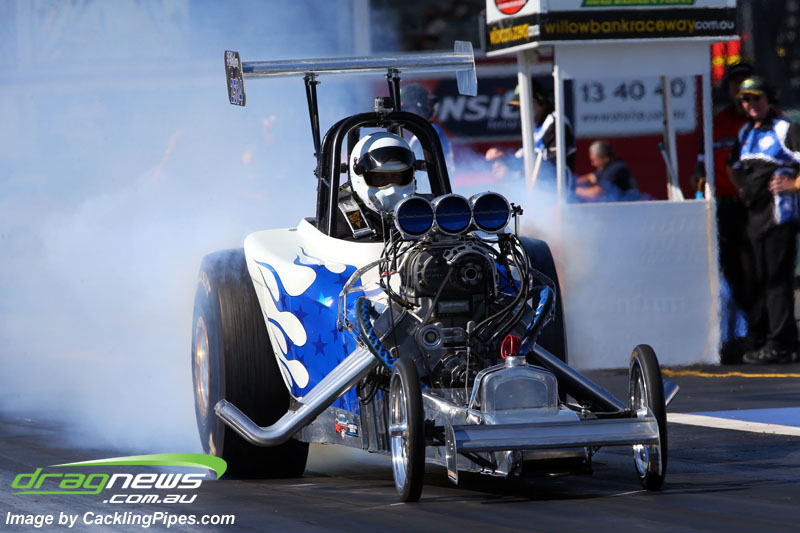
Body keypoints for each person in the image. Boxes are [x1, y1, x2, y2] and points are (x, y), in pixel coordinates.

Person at [727, 76, 800, 364]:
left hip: (779, 218)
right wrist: (742, 188)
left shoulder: (785, 128)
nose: (751, 104)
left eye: (756, 98)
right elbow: (732, 166)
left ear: (768, 98)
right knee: (758, 281)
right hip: (754, 217)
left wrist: (793, 184)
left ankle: (780, 343)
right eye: (745, 100)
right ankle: (768, 337)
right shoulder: (746, 132)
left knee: (776, 281)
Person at [691, 61, 756, 363]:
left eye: (745, 81)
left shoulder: (763, 121)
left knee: (758, 272)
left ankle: (759, 334)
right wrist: (700, 183)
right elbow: (701, 167)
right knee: (731, 273)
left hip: (756, 206)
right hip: (725, 207)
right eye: (735, 83)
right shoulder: (717, 122)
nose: (740, 89)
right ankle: (736, 337)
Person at [485, 81, 576, 184]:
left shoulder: (556, 122)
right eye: (518, 107)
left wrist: (514, 173)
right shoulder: (532, 128)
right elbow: (521, 158)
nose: (520, 111)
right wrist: (503, 158)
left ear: (539, 100)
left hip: (558, 191)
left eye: (523, 105)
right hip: (537, 191)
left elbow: (552, 167)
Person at [335, 131, 417, 239]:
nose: (392, 189)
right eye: (380, 177)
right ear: (360, 178)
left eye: (396, 176)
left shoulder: (424, 211)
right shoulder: (339, 216)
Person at [400, 83, 454, 172]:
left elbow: (421, 175)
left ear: (420, 107)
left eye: (405, 107)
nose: (402, 112)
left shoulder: (425, 136)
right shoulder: (430, 131)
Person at [574, 140, 639, 202]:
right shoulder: (606, 168)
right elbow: (590, 177)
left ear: (605, 158)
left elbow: (597, 193)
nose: (592, 164)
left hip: (628, 207)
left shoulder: (617, 168)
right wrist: (573, 182)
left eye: (594, 160)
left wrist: (574, 190)